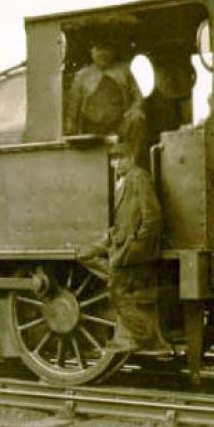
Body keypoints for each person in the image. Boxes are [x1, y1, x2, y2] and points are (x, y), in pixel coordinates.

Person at [78, 142, 169, 353]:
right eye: (113, 159)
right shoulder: (122, 182)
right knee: (84, 254)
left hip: (132, 249)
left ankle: (143, 339)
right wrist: (110, 238)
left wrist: (136, 245)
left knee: (118, 294)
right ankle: (141, 337)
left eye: (120, 158)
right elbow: (126, 218)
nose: (116, 163)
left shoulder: (138, 178)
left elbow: (152, 217)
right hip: (119, 244)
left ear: (131, 159)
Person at [65, 42, 147, 163]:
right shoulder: (82, 76)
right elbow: (73, 106)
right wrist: (70, 128)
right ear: (91, 51)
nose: (103, 54)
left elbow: (138, 96)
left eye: (107, 49)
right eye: (99, 49)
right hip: (92, 129)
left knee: (137, 117)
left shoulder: (125, 71)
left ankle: (132, 162)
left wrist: (135, 108)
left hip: (120, 125)